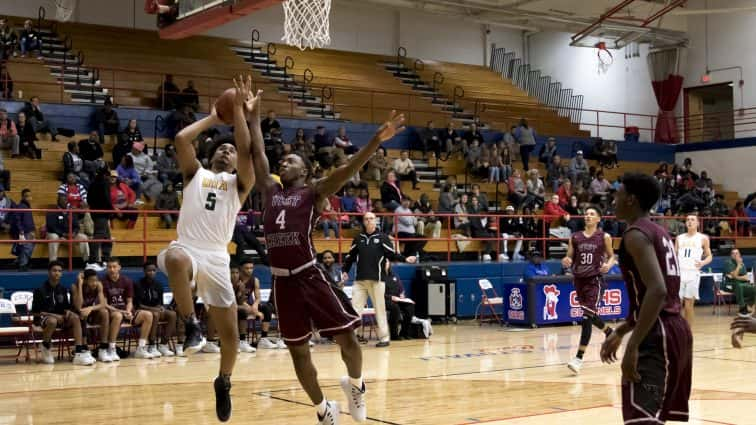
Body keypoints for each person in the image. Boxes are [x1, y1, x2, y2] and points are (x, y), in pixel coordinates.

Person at [249, 104, 405, 424]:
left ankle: (357, 386)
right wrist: (252, 117)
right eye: (284, 159)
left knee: (347, 336)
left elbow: (346, 170)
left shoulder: (314, 191)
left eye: (291, 160)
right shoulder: (270, 190)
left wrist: (375, 140)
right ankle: (323, 408)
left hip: (309, 275)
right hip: (282, 282)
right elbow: (258, 155)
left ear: (304, 171)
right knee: (298, 351)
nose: (284, 161)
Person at [157, 77, 256, 422]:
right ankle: (190, 325)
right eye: (221, 147)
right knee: (174, 256)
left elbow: (246, 151)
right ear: (212, 154)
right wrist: (215, 116)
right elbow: (182, 138)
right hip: (188, 246)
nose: (226, 151)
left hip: (215, 255)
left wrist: (240, 113)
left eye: (230, 150)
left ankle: (224, 381)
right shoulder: (194, 174)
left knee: (231, 338)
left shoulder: (240, 184)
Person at [600, 172, 692, 425]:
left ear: (630, 199)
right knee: (652, 419)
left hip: (658, 332)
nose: (613, 200)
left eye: (617, 195)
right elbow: (655, 296)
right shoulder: (659, 232)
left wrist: (632, 346)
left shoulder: (635, 235)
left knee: (640, 421)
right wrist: (621, 331)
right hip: (676, 329)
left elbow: (658, 291)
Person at [343, 211, 417, 348]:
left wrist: (405, 259)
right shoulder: (358, 238)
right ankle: (352, 337)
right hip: (360, 281)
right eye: (366, 219)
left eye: (371, 218)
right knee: (355, 309)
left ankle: (384, 337)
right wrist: (345, 271)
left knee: (380, 309)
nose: (369, 221)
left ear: (375, 221)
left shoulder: (383, 238)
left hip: (377, 280)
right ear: (363, 222)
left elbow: (391, 254)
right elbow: (350, 256)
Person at [561, 206, 616, 375]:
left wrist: (609, 264)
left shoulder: (604, 237)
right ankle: (609, 332)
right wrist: (566, 260)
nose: (588, 216)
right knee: (590, 315)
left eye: (592, 214)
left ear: (599, 219)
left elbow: (612, 256)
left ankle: (578, 358)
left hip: (595, 280)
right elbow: (569, 256)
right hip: (579, 280)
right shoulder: (575, 237)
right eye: (586, 214)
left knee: (585, 317)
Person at [31, 263, 96, 365]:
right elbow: (36, 312)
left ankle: (79, 352)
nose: (57, 273)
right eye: (54, 270)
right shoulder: (40, 290)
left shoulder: (63, 290)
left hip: (61, 318)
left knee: (75, 317)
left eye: (59, 271)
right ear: (49, 272)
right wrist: (55, 316)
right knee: (52, 321)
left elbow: (66, 308)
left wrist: (68, 311)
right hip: (44, 319)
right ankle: (45, 345)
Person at [102, 258, 156, 359]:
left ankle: (141, 348)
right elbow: (104, 304)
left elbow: (129, 301)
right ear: (106, 268)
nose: (112, 269)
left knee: (148, 315)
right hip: (112, 312)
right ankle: (111, 349)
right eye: (109, 267)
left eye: (114, 267)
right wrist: (121, 311)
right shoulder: (103, 282)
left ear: (119, 267)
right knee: (118, 316)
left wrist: (127, 311)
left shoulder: (127, 281)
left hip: (125, 311)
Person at [675, 215, 712, 328]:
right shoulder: (679, 238)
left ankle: (687, 330)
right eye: (687, 220)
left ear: (697, 223)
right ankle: (677, 329)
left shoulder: (703, 238)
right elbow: (674, 255)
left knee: (688, 305)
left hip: (693, 273)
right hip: (680, 273)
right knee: (677, 305)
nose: (689, 221)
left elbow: (709, 256)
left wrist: (702, 263)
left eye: (692, 220)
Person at [134, 261, 177, 357]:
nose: (152, 272)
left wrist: (161, 307)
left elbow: (160, 303)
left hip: (155, 310)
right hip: (143, 311)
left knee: (172, 314)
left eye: (154, 270)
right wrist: (153, 309)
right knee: (155, 314)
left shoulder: (159, 285)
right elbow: (138, 305)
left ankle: (163, 344)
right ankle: (152, 345)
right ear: (144, 271)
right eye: (149, 270)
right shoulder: (138, 284)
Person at [71, 268, 115, 362]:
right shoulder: (75, 287)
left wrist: (90, 308)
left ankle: (103, 349)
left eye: (96, 280)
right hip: (77, 316)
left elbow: (103, 304)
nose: (94, 283)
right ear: (85, 280)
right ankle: (83, 348)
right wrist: (79, 284)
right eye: (92, 281)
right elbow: (79, 306)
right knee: (82, 314)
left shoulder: (99, 285)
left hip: (91, 312)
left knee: (104, 312)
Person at [239, 259, 281, 349]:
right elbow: (238, 299)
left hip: (249, 305)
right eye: (247, 268)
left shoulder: (255, 280)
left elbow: (258, 298)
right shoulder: (236, 280)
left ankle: (263, 339)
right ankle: (242, 341)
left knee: (267, 308)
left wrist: (255, 305)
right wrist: (255, 312)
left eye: (251, 268)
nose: (249, 270)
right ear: (241, 269)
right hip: (237, 305)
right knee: (243, 310)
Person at [723, 249, 755, 347]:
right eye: (734, 253)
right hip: (729, 284)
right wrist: (737, 265)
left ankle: (750, 307)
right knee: (738, 285)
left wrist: (738, 277)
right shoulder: (728, 262)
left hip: (741, 283)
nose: (736, 255)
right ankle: (742, 308)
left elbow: (745, 277)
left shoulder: (743, 263)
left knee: (753, 288)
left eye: (737, 253)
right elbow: (733, 276)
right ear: (731, 255)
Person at [86, 167, 113, 271]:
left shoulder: (92, 183)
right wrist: (111, 209)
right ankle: (92, 261)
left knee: (107, 237)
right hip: (103, 213)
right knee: (99, 236)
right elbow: (107, 198)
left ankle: (106, 260)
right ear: (105, 175)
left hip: (94, 212)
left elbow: (88, 198)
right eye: (109, 176)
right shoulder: (104, 183)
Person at [384, 263, 415, 340]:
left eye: (387, 262)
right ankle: (394, 335)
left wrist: (402, 294)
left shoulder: (394, 275)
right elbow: (377, 293)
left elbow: (401, 288)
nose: (385, 264)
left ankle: (404, 333)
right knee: (395, 308)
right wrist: (391, 297)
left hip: (397, 299)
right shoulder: (379, 276)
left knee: (410, 307)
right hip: (385, 300)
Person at [10, 188, 34, 271]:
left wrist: (32, 230)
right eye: (27, 196)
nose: (29, 198)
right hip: (23, 232)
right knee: (27, 247)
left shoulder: (27, 207)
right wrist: (21, 231)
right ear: (23, 197)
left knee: (29, 247)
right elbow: (17, 220)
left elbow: (29, 221)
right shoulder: (20, 206)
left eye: (30, 196)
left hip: (29, 231)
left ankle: (19, 261)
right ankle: (22, 265)